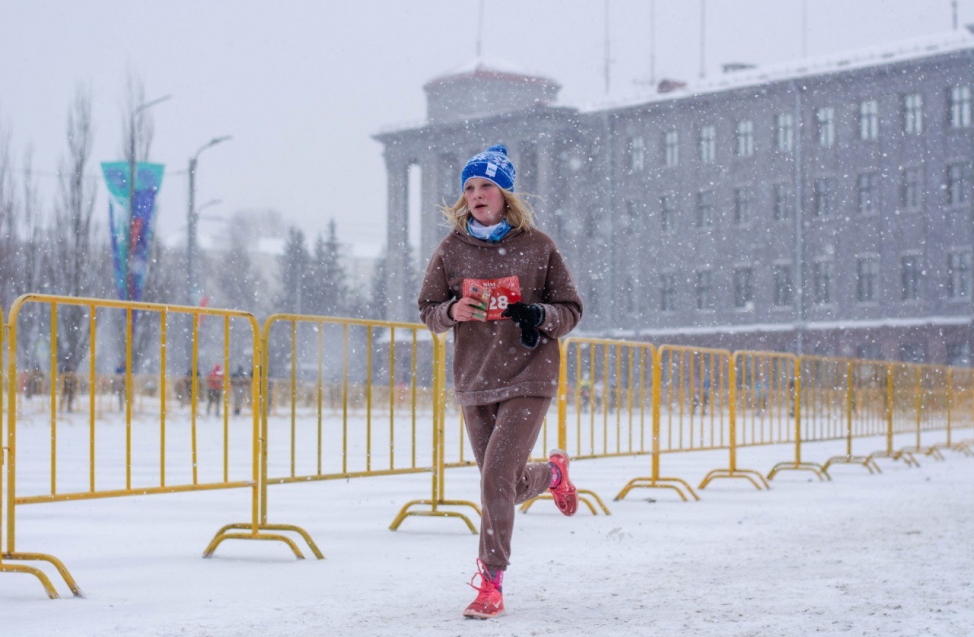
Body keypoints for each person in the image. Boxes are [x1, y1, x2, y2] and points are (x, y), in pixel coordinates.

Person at [418, 144, 583, 619]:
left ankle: (491, 582)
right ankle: (551, 475)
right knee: (501, 484)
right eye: (468, 187)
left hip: (530, 374)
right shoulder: (451, 249)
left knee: (494, 479)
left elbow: (571, 310)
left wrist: (540, 313)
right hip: (475, 379)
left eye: (485, 185)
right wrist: (451, 311)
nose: (475, 194)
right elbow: (427, 308)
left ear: (505, 193)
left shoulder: (538, 245)